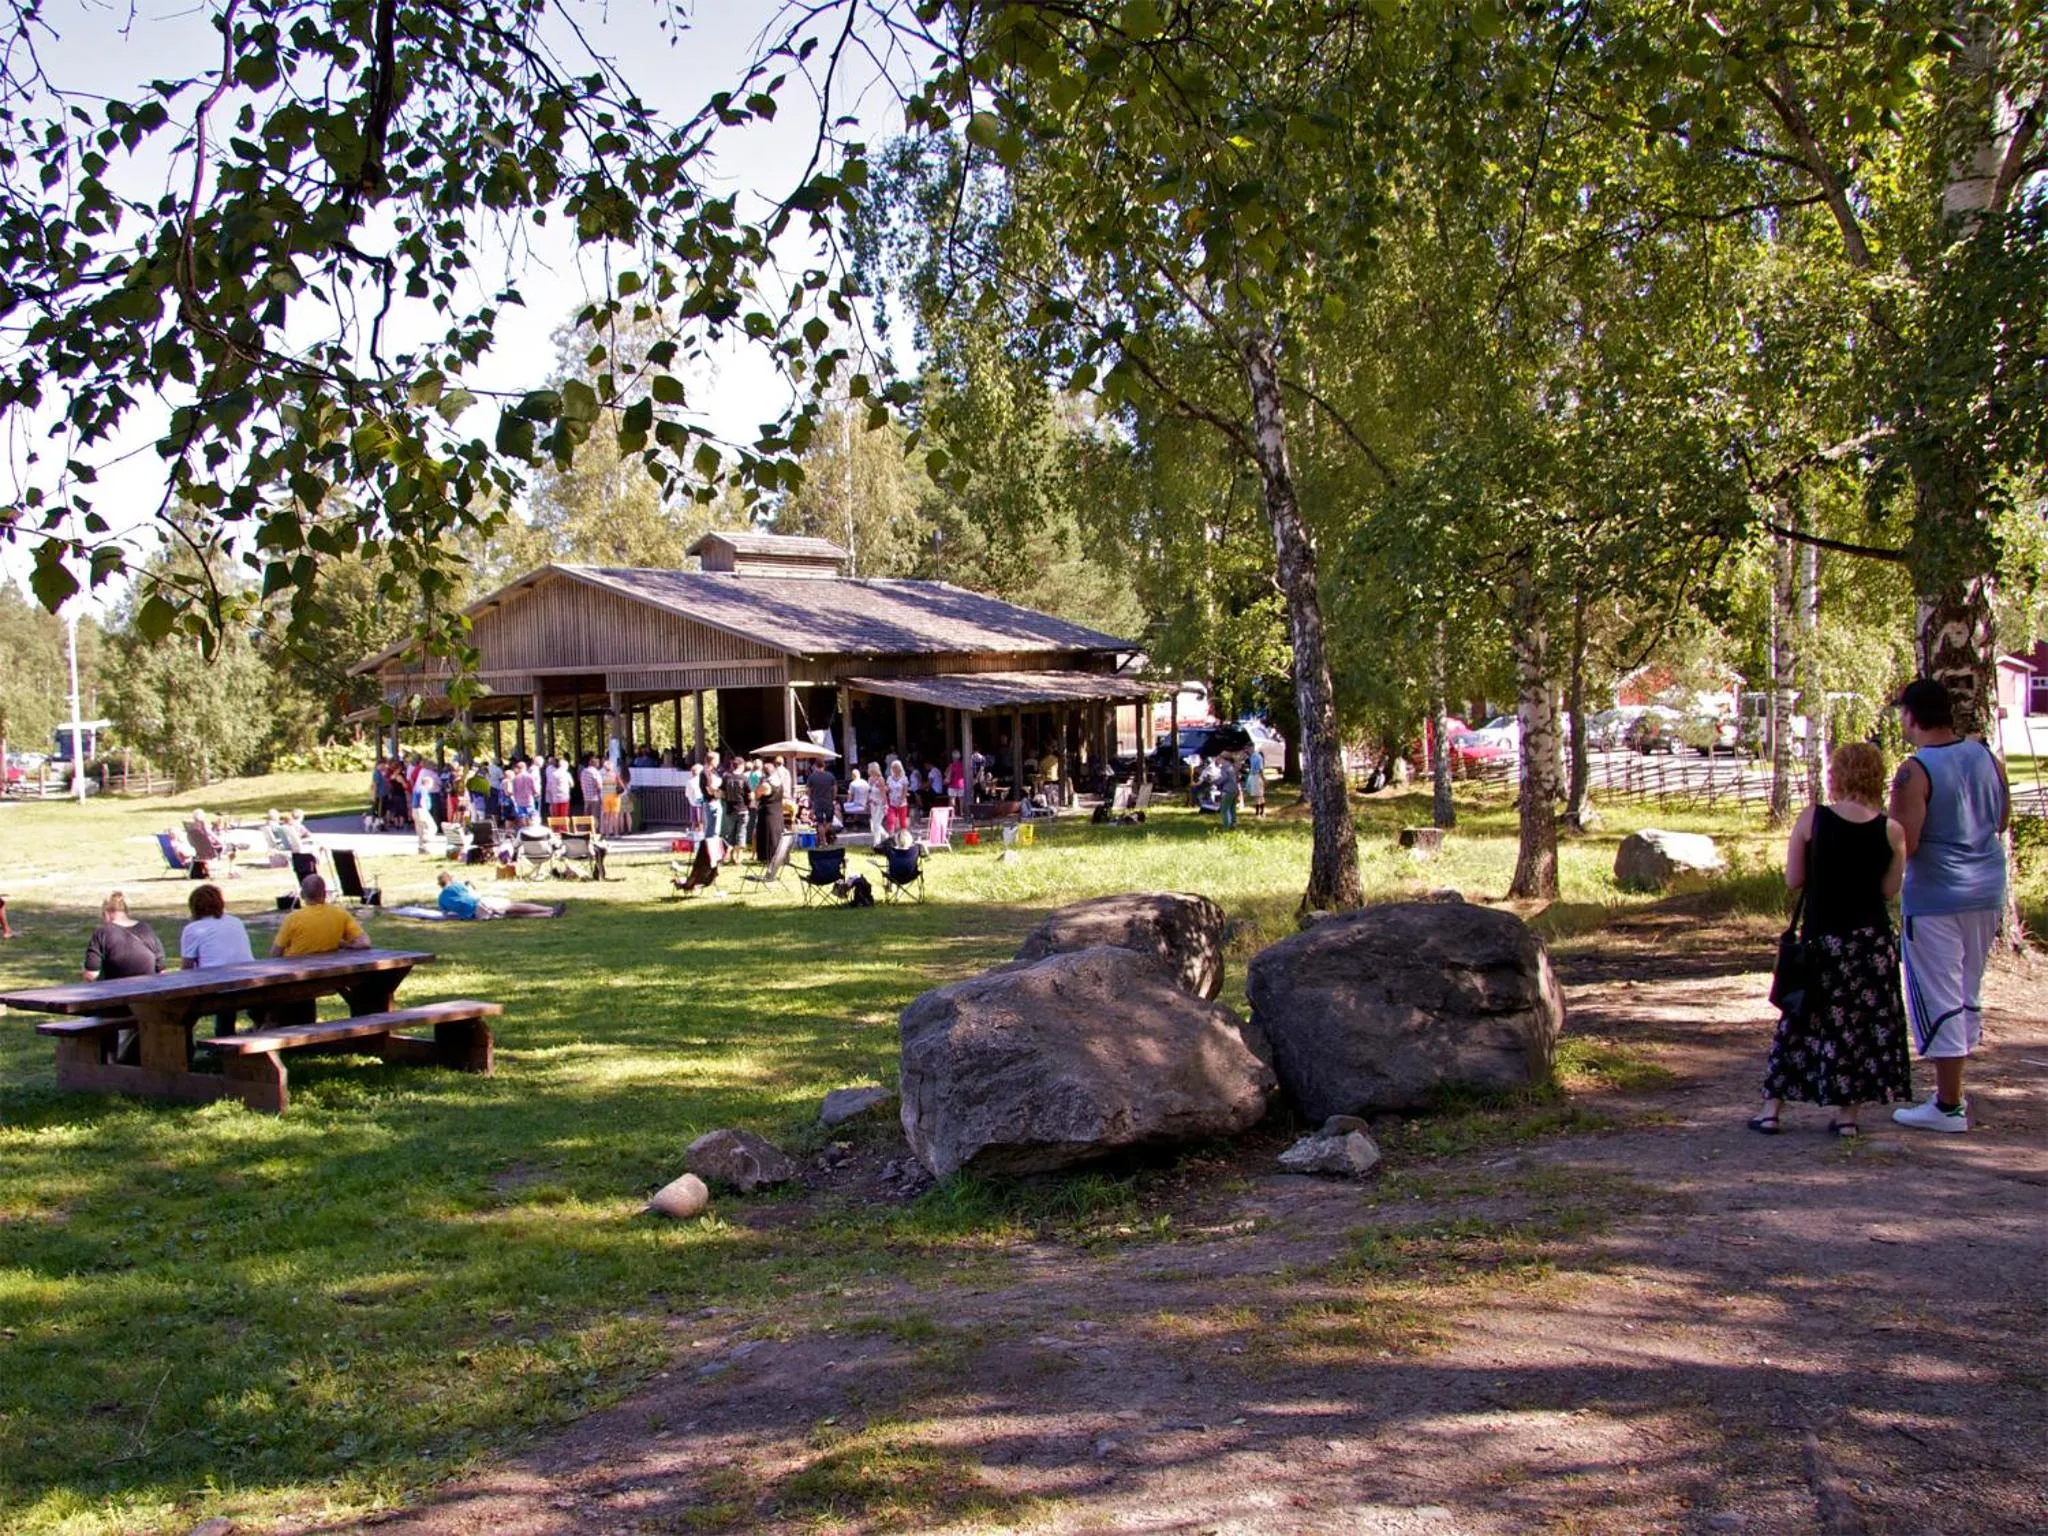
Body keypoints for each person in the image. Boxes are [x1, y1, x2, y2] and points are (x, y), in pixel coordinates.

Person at [1750, 742, 1912, 1138]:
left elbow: (1794, 880)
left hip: (1822, 939)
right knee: (1858, 1025)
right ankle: (1847, 1117)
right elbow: (1890, 891)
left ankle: (1772, 1109)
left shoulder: (1813, 819)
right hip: (1870, 945)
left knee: (1799, 1019)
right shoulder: (1891, 830)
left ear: (1836, 774)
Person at [1888, 678, 2010, 1134]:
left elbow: (1906, 841)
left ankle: (1947, 1103)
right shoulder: (1985, 757)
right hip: (1986, 887)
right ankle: (1953, 1088)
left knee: (1936, 989)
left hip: (1936, 895)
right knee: (1966, 987)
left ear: (1914, 716)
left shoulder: (1914, 771)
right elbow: (2001, 818)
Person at [180, 882, 255, 1036]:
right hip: (248, 982)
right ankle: (228, 1036)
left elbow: (186, 968)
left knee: (182, 1008)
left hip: (218, 987)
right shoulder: (235, 922)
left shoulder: (193, 929)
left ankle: (187, 1047)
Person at [271, 873, 371, 958]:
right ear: (325, 893)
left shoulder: (293, 918)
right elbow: (365, 943)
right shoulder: (340, 914)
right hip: (329, 968)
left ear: (302, 895)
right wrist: (345, 944)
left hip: (296, 971)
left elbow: (275, 953)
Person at [82, 891, 165, 981]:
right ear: (126, 912)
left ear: (106, 913)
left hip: (116, 991)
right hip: (149, 989)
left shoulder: (102, 933)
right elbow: (161, 969)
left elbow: (91, 974)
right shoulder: (146, 929)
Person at [436, 870, 561, 919]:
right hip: (479, 902)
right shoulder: (457, 885)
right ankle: (549, 909)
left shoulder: (441, 899)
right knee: (514, 906)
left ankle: (548, 915)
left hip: (475, 914)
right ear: (449, 879)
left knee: (513, 915)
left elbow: (446, 914)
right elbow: (473, 893)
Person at [754, 754, 788, 860]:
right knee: (778, 833)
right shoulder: (779, 783)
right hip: (778, 810)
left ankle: (769, 856)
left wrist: (759, 784)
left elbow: (756, 795)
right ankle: (781, 856)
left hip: (768, 812)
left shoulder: (766, 785)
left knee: (770, 835)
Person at [411, 758, 441, 853]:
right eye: (431, 785)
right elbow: (423, 800)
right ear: (427, 783)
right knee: (431, 827)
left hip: (414, 810)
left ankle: (421, 847)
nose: (431, 787)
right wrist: (425, 809)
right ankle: (426, 844)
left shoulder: (418, 788)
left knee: (420, 829)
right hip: (421, 810)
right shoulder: (424, 789)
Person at [806, 759, 838, 826]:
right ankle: (824, 833)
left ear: (816, 766)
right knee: (829, 821)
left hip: (817, 802)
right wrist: (834, 798)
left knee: (820, 822)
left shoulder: (811, 777)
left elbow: (808, 790)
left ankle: (822, 836)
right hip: (828, 801)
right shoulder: (830, 775)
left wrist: (810, 799)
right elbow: (835, 788)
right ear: (824, 766)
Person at [1216, 753, 1241, 831]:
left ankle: (1226, 827)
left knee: (1224, 809)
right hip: (1234, 789)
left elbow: (1223, 778)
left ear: (1222, 758)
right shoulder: (1231, 766)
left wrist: (1214, 781)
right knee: (1232, 808)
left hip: (1228, 790)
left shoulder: (1224, 767)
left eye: (1218, 757)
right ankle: (1233, 824)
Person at [545, 755, 572, 821]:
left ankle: (556, 827)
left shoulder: (553, 774)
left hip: (555, 796)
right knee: (563, 814)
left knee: (556, 813)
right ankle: (563, 828)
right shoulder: (566, 774)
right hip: (564, 796)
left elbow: (549, 784)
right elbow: (572, 784)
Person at [1245, 745, 1267, 817]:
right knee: (1259, 794)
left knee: (1258, 795)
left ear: (1251, 748)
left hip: (1257, 776)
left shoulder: (1257, 757)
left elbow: (1260, 769)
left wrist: (1263, 778)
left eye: (1247, 748)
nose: (1246, 750)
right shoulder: (1251, 756)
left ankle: (1259, 813)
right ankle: (1261, 812)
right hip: (1254, 776)